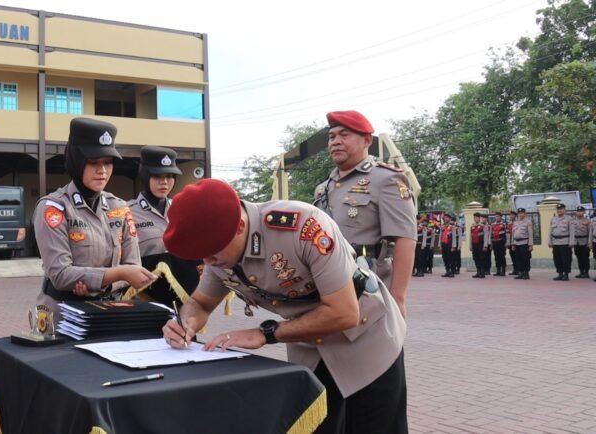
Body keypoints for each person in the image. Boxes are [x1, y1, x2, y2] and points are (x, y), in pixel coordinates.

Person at [162, 179, 407, 434]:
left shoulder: (303, 226)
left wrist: (265, 334)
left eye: (212, 253)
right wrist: (185, 323)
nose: (208, 262)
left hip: (366, 338)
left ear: (240, 227)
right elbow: (200, 303)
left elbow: (344, 313)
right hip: (310, 346)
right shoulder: (219, 252)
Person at [34, 118, 156, 321]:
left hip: (109, 312)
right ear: (77, 161)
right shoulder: (54, 208)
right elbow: (60, 275)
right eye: (93, 162)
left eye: (108, 162)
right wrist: (119, 274)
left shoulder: (119, 208)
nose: (102, 170)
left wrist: (101, 283)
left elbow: (133, 266)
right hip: (62, 315)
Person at [313, 110, 416, 316]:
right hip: (328, 289)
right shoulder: (323, 189)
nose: (336, 142)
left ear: (367, 140)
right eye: (332, 137)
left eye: (344, 135)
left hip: (370, 288)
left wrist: (397, 298)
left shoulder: (386, 180)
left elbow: (405, 239)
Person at [127, 146, 201, 307]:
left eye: (169, 176)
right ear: (145, 176)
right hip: (143, 298)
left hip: (183, 298)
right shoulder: (127, 212)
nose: (164, 182)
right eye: (157, 176)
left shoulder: (183, 209)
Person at [548, 203, 574, 281]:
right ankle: (560, 274)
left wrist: (571, 242)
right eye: (558, 209)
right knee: (557, 259)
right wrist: (550, 241)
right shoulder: (553, 219)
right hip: (555, 242)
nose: (559, 210)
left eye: (561, 209)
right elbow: (550, 231)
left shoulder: (569, 219)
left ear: (564, 209)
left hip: (565, 242)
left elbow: (572, 231)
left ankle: (566, 274)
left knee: (566, 259)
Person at [511, 208, 533, 280]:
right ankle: (520, 272)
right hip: (516, 243)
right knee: (518, 259)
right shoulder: (515, 222)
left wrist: (530, 245)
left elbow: (530, 234)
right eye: (519, 213)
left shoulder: (528, 222)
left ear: (525, 214)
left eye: (522, 213)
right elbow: (513, 234)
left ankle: (526, 273)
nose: (520, 214)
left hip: (524, 243)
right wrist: (513, 244)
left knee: (525, 259)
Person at [572, 206, 591, 278]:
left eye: (581, 211)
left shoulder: (588, 221)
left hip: (584, 241)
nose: (579, 212)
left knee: (585, 257)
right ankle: (581, 272)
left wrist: (589, 242)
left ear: (584, 212)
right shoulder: (573, 221)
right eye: (578, 211)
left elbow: (590, 232)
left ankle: (586, 272)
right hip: (576, 242)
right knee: (579, 257)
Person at [469, 213, 490, 278]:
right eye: (474, 218)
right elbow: (471, 236)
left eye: (476, 217)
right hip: (474, 244)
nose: (475, 219)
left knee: (482, 258)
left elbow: (486, 236)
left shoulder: (483, 226)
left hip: (481, 244)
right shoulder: (472, 226)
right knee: (475, 258)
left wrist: (485, 246)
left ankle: (482, 272)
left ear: (479, 218)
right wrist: (470, 246)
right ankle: (478, 271)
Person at [440, 213, 460, 278]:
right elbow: (440, 236)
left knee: (451, 259)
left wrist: (453, 246)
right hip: (444, 244)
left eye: (447, 218)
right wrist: (440, 245)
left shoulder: (452, 227)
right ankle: (447, 271)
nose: (445, 219)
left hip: (450, 244)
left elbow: (454, 237)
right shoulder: (442, 227)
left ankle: (452, 272)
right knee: (445, 258)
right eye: (444, 218)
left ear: (450, 219)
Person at [506, 210, 518, 275]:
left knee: (517, 256)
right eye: (510, 215)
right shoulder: (509, 224)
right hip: (510, 242)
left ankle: (519, 270)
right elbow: (507, 234)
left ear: (515, 216)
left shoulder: (517, 223)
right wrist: (507, 243)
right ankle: (515, 270)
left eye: (512, 215)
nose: (511, 216)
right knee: (512, 256)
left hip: (516, 242)